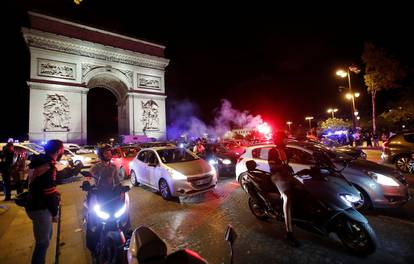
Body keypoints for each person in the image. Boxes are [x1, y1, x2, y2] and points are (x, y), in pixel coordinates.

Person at [26, 140, 64, 264]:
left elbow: (39, 185)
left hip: (34, 204)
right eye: (62, 149)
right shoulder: (48, 165)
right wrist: (54, 212)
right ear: (59, 150)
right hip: (41, 208)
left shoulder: (40, 161)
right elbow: (48, 193)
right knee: (42, 244)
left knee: (45, 239)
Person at [268, 131, 300, 247]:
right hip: (276, 176)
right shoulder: (272, 151)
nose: (287, 140)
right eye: (284, 139)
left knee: (302, 187)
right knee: (287, 197)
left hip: (286, 174)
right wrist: (283, 166)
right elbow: (272, 166)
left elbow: (291, 159)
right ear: (279, 140)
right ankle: (289, 232)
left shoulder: (286, 150)